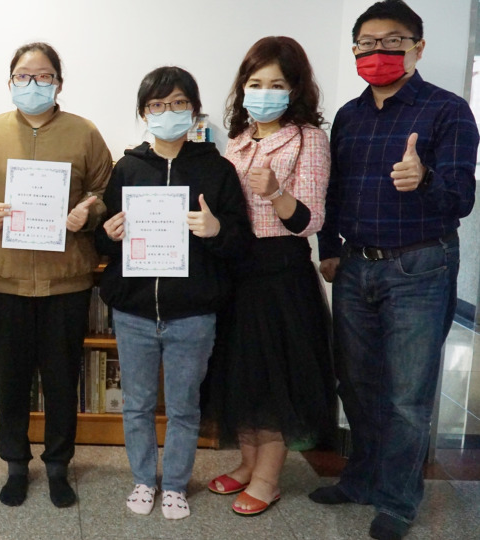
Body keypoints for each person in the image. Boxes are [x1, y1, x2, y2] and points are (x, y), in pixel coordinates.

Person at [311, 2, 479, 539]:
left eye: (392, 41)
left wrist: (423, 178)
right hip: (356, 265)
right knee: (356, 384)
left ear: (417, 48)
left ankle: (398, 500)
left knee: (407, 395)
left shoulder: (448, 110)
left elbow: (462, 198)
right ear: (355, 49)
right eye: (367, 43)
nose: (378, 52)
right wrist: (328, 247)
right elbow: (333, 190)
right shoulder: (349, 115)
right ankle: (361, 479)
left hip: (421, 266)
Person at [95, 66, 252, 520]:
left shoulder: (218, 170)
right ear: (145, 113)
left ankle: (177, 485)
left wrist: (215, 229)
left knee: (185, 407)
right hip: (135, 313)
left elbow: (238, 241)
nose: (169, 112)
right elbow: (104, 240)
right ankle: (144, 480)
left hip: (193, 314)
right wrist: (108, 233)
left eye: (179, 103)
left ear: (194, 110)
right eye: (158, 105)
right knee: (138, 405)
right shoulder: (127, 168)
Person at [0, 42, 112, 508]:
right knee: (11, 380)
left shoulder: (85, 133)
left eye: (44, 76)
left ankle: (58, 466)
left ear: (59, 83)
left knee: (62, 379)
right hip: (4, 278)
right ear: (10, 82)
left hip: (65, 279)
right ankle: (14, 464)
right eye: (24, 76)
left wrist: (88, 211)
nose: (33, 84)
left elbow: (105, 189)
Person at [208, 36, 336, 517]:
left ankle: (268, 478)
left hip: (280, 272)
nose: (264, 93)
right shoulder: (238, 140)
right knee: (240, 374)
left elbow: (311, 219)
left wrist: (277, 192)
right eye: (256, 83)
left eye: (276, 84)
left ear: (294, 88)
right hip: (236, 268)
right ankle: (248, 463)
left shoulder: (308, 139)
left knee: (274, 377)